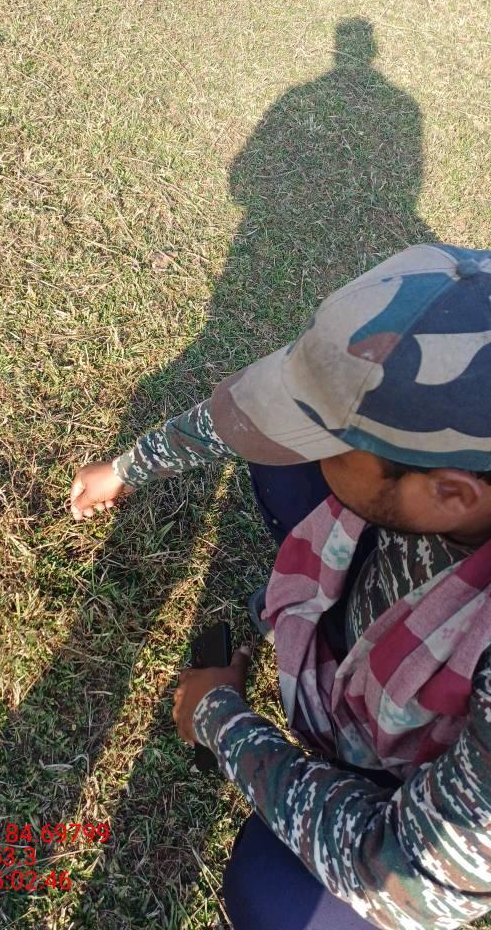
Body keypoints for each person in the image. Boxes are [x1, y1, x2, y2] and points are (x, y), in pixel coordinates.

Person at [69, 243, 491, 930]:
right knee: (281, 459)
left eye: (333, 446)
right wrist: (127, 467)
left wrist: (220, 720)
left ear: (451, 494)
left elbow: (409, 878)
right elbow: (269, 412)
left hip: (422, 764)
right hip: (407, 579)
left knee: (279, 898)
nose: (307, 448)